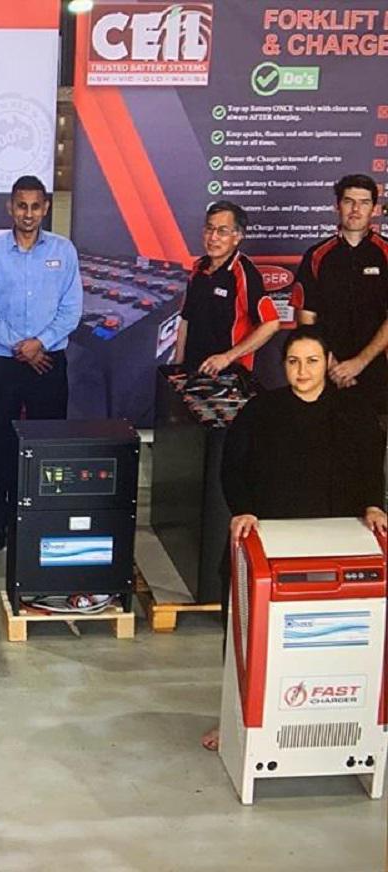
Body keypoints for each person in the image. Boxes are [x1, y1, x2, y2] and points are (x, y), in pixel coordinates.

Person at [200, 324, 388, 750]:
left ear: (328, 363)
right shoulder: (261, 410)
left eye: (312, 361)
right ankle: (236, 720)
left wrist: (374, 505)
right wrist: (243, 509)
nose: (302, 371)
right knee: (248, 638)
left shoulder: (354, 412)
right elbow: (233, 468)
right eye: (293, 362)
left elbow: (370, 468)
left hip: (332, 543)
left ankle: (334, 722)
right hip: (269, 541)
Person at [0, 176, 83, 551]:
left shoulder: (64, 252)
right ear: (10, 207)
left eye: (36, 206)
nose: (28, 213)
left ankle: (43, 522)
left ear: (46, 208)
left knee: (47, 447)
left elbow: (71, 310)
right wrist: (22, 347)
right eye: (22, 205)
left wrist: (41, 344)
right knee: (1, 447)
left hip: (49, 364)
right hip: (4, 365)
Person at [292, 174, 388, 412]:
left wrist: (359, 363)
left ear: (373, 208)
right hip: (326, 371)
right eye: (348, 201)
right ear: (337, 206)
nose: (356, 209)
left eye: (364, 202)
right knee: (325, 433)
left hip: (378, 372)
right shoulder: (316, 256)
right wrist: (330, 363)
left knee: (375, 433)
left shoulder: (385, 253)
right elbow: (306, 319)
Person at [172, 200, 280, 376]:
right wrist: (177, 366)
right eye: (209, 229)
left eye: (222, 231)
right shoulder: (198, 267)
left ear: (237, 237)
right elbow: (185, 320)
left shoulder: (244, 272)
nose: (213, 237)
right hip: (193, 372)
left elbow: (271, 324)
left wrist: (227, 358)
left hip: (229, 375)